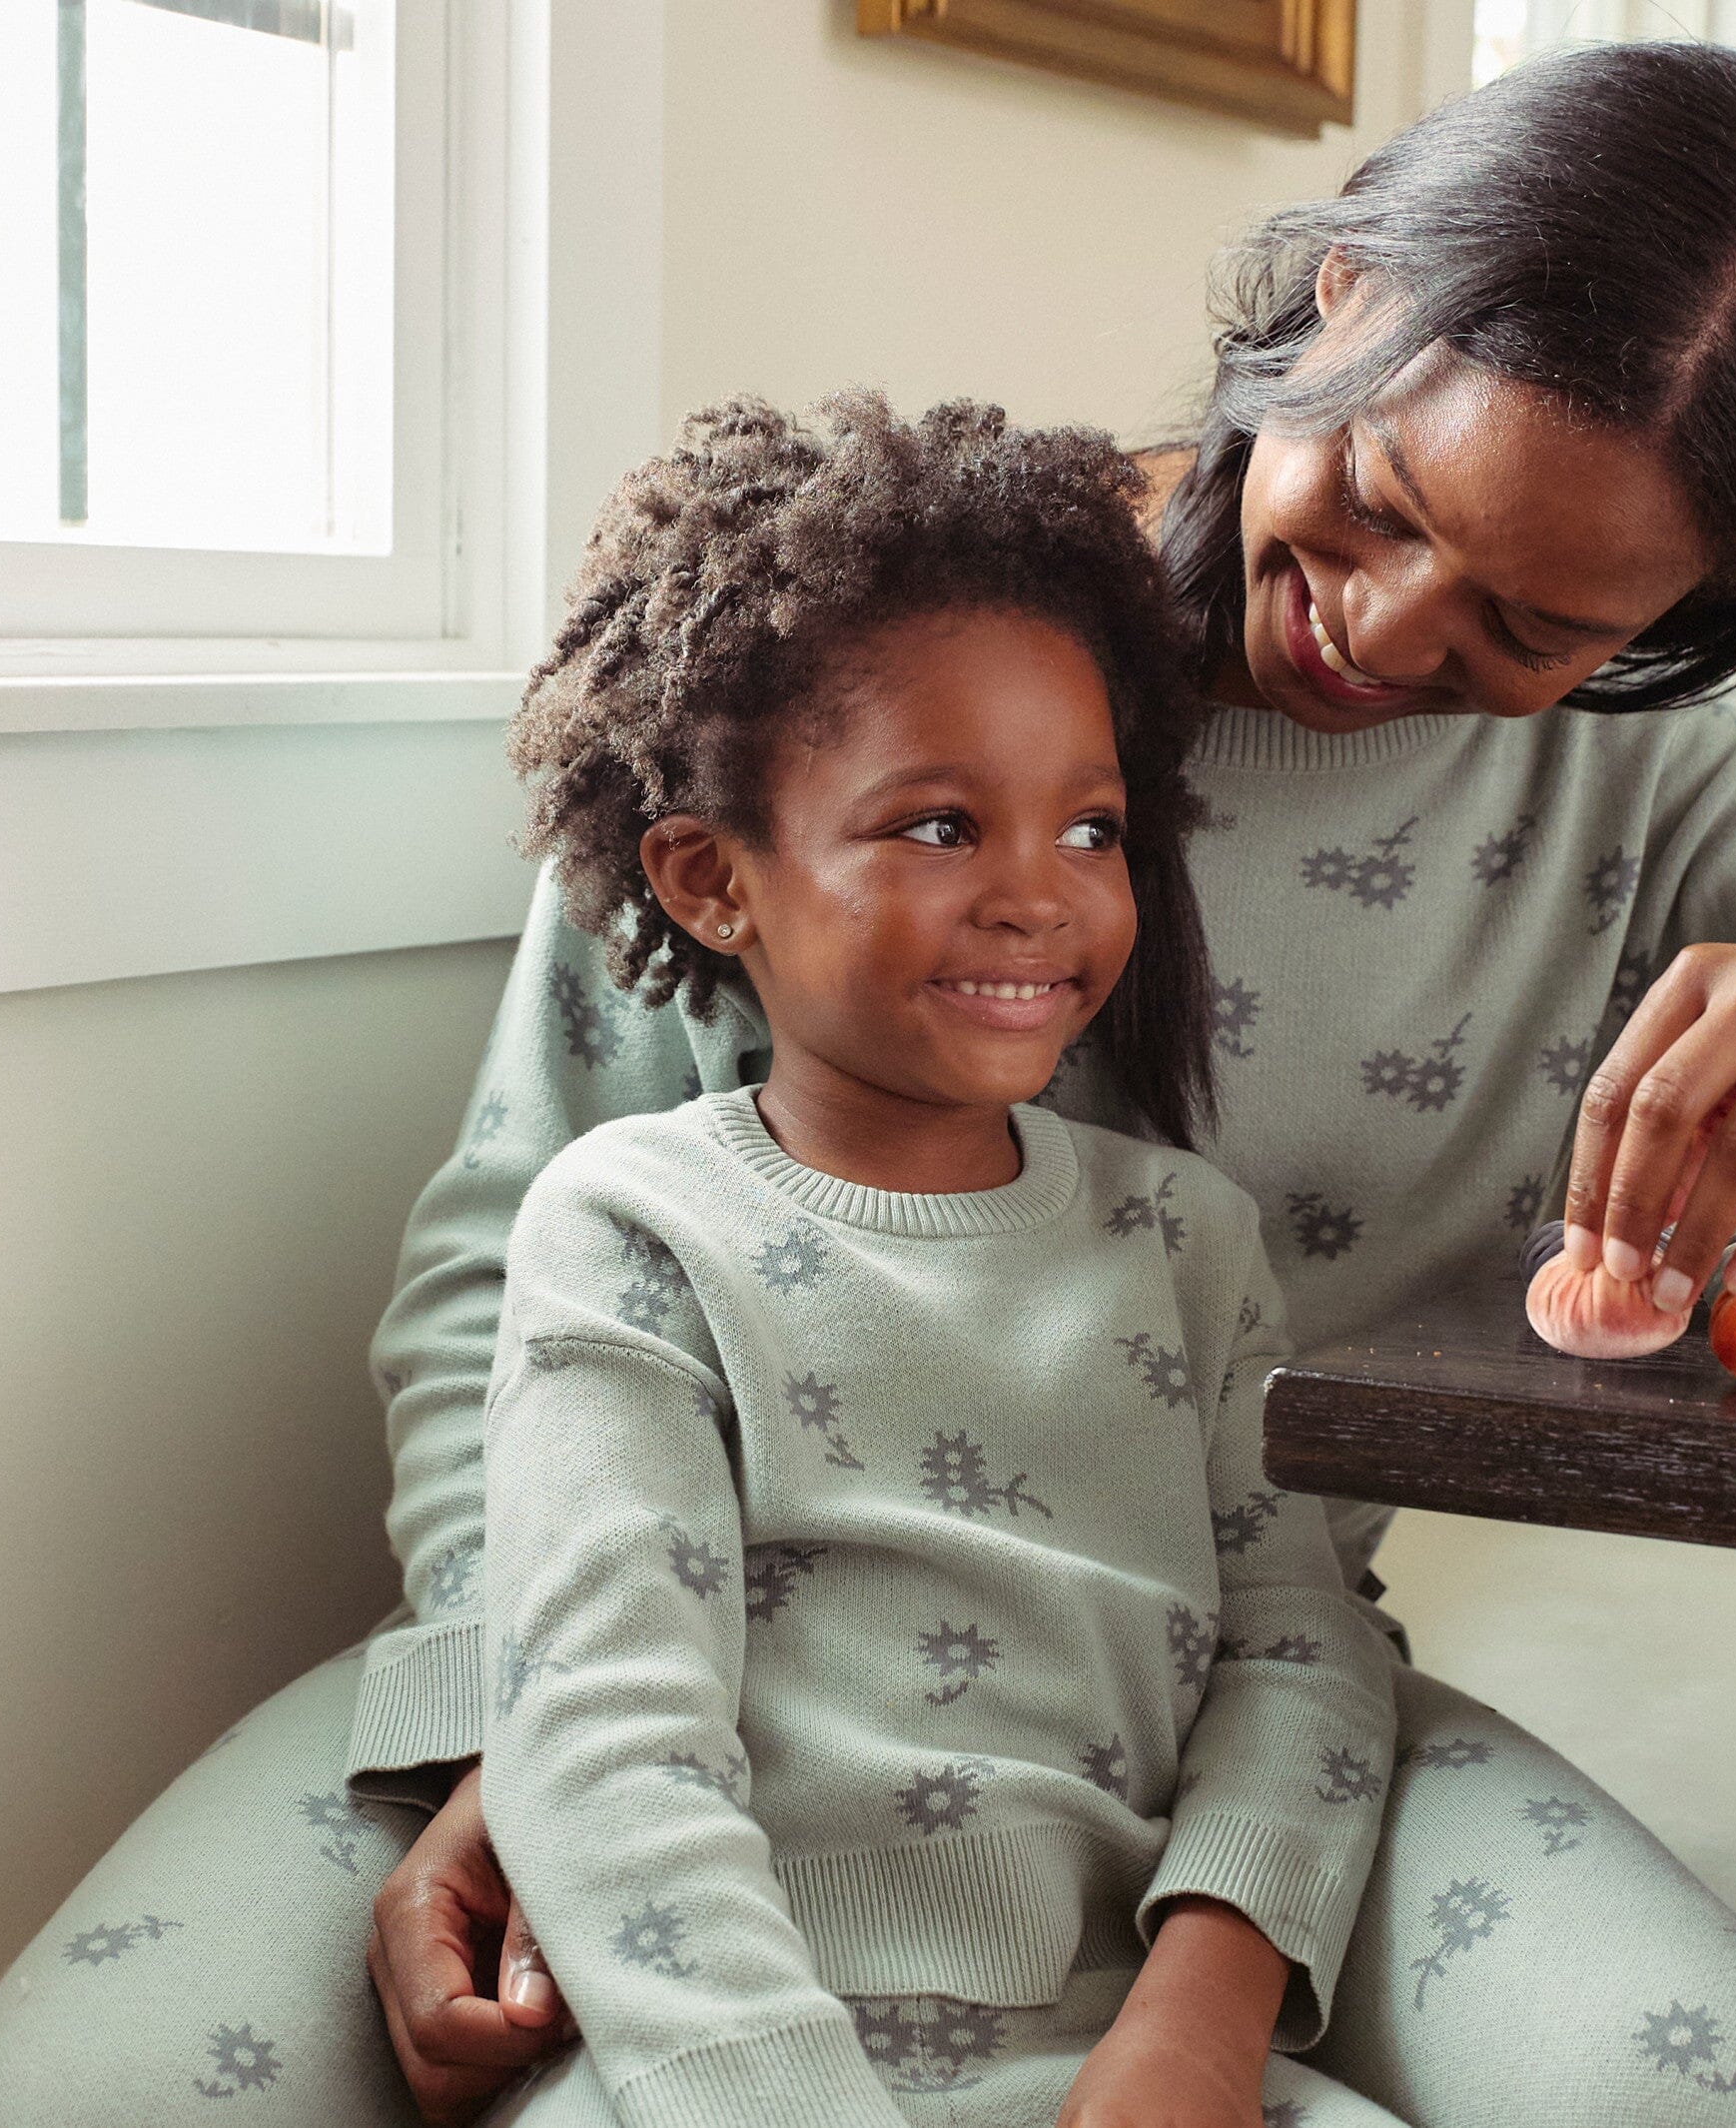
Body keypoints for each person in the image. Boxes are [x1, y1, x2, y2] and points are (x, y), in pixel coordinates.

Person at [0, 39, 1736, 2126]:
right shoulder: (852, 638)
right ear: (1343, 298)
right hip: (630, 1662)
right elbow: (486, 1279)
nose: (1380, 626)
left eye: (1534, 623)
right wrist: (500, 1724)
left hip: (1220, 1708)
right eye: (1380, 501)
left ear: (1685, 618)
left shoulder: (1662, 790)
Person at [476, 390, 1398, 2128]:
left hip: (1139, 2054)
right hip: (714, 2061)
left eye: (1090, 828)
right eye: (935, 825)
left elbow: (1303, 1649)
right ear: (709, 879)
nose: (1039, 896)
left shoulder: (1187, 1243)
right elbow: (599, 1739)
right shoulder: (628, 1231)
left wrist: (1197, 2032)